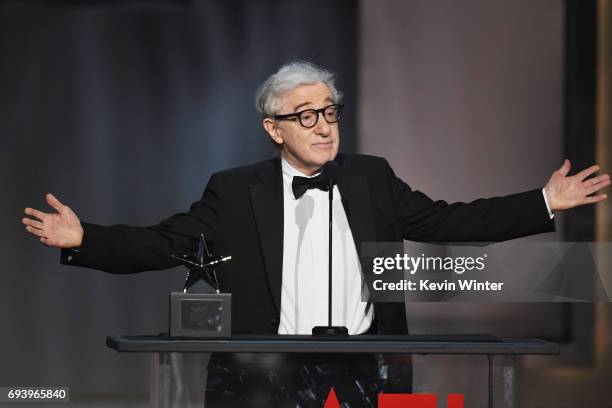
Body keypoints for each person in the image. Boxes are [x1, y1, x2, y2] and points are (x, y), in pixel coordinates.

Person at [22, 61, 610, 407]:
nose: (324, 126)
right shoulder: (234, 190)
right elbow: (163, 242)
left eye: (330, 112)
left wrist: (543, 202)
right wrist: (85, 241)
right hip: (260, 372)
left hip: (361, 369)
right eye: (306, 116)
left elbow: (451, 220)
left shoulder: (371, 178)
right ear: (273, 128)